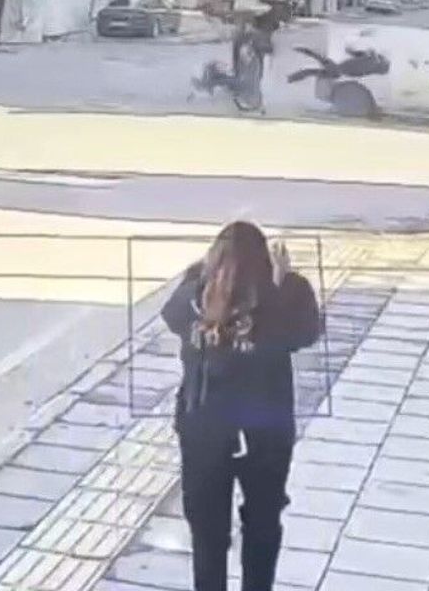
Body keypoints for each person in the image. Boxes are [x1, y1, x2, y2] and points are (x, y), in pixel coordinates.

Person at [161, 221, 321, 591]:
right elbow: (306, 332)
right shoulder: (282, 295)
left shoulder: (194, 292)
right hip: (265, 433)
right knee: (263, 525)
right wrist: (284, 281)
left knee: (207, 534)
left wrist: (207, 277)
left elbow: (171, 315)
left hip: (204, 431)